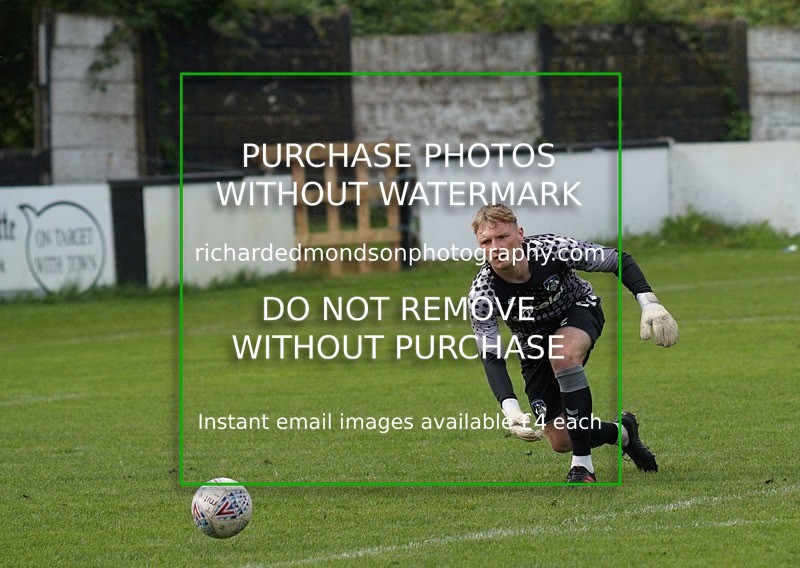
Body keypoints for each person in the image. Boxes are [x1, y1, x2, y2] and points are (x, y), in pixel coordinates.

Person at [468, 204, 678, 483]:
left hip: (578, 310)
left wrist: (649, 303)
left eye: (502, 236)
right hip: (533, 345)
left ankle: (582, 468)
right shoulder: (483, 292)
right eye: (486, 241)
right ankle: (622, 433)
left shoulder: (553, 249)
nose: (496, 246)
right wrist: (510, 408)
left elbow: (617, 260)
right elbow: (491, 356)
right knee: (560, 440)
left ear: (520, 234)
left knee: (562, 354)